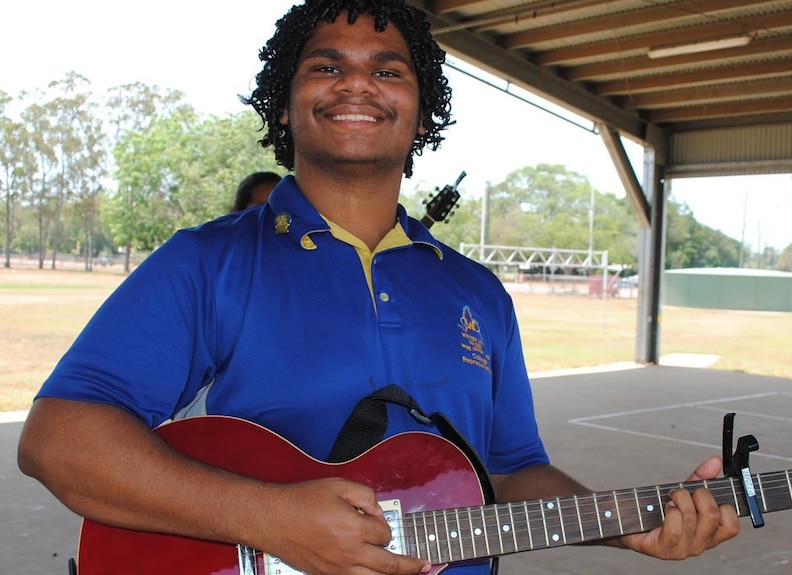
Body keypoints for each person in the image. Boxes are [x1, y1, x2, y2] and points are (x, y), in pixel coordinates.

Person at [17, 1, 740, 574]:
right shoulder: (209, 260)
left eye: (388, 71)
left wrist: (631, 527)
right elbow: (60, 440)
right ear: (283, 103)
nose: (356, 81)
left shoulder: (480, 294)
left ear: (421, 116)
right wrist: (270, 519)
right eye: (326, 66)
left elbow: (514, 470)